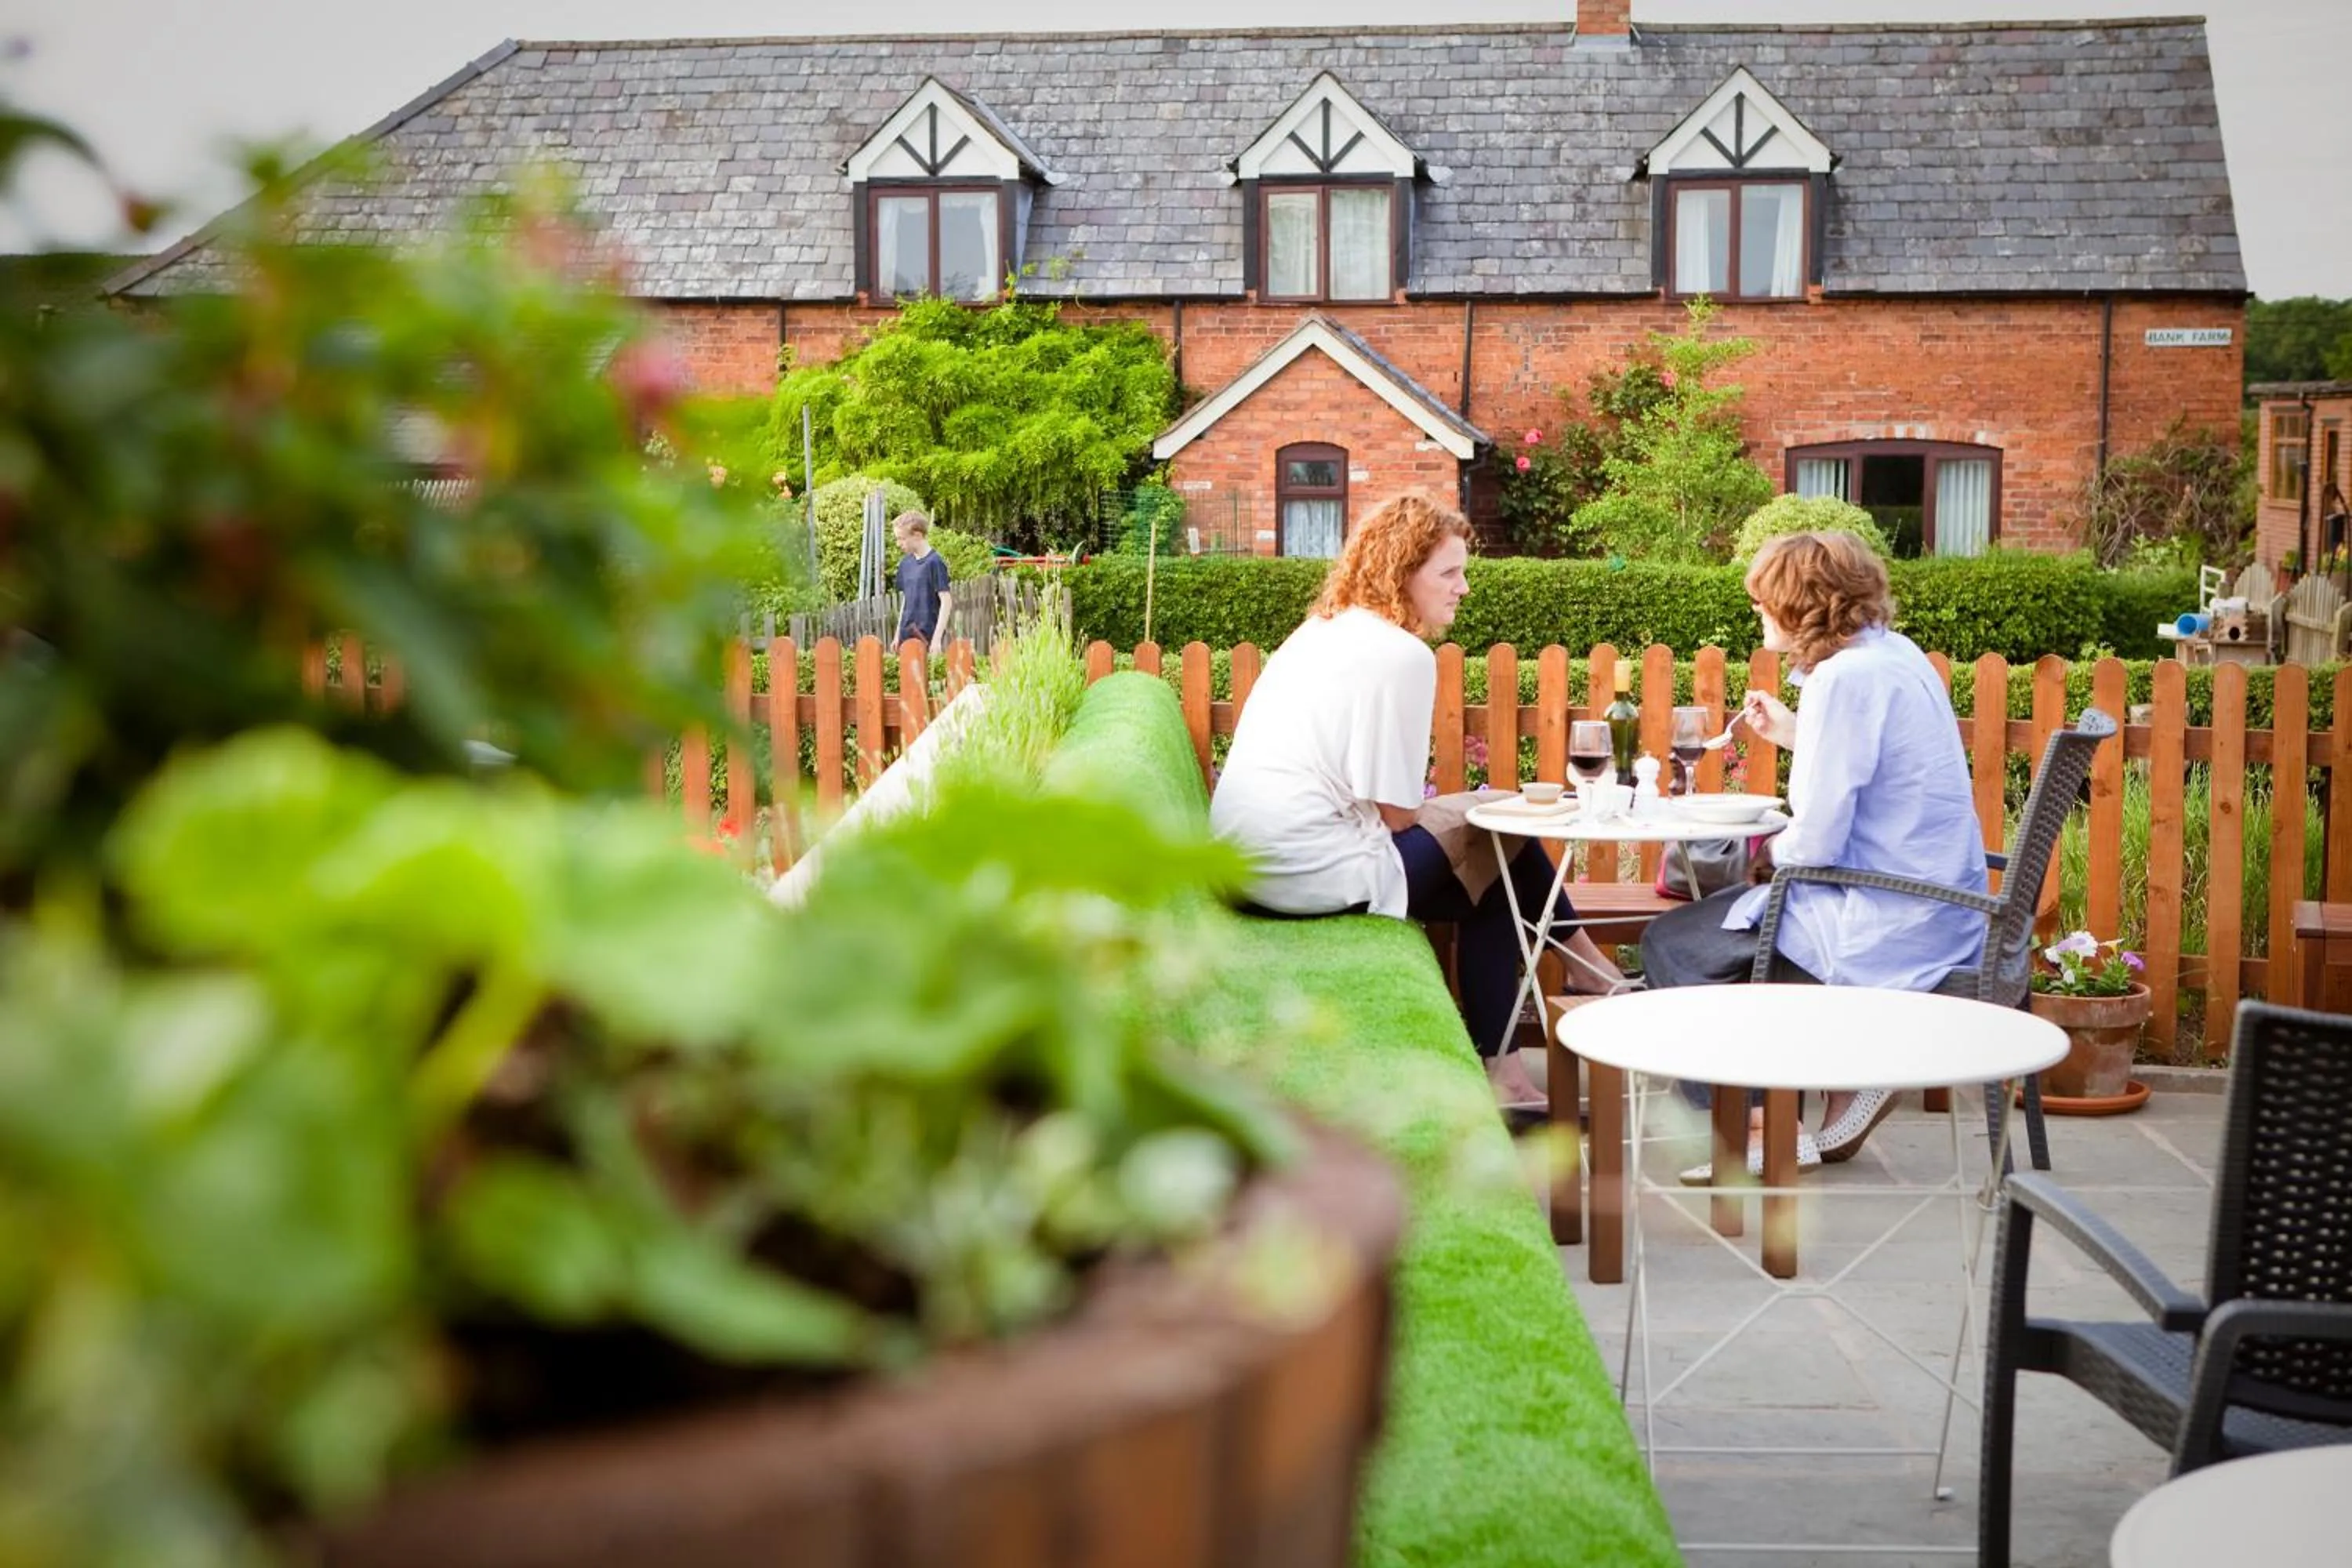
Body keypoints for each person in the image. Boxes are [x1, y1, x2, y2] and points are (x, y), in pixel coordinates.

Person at [1209, 492, 1627, 1114]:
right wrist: (1472, 810)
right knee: (1499, 833)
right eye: (1449, 573)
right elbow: (1398, 814)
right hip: (1306, 874)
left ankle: (1516, 1066)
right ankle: (1585, 974)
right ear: (1402, 573)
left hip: (1252, 869)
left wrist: (1468, 809)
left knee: (1494, 862)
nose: (1463, 588)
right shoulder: (1399, 654)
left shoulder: (1325, 629)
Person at [1641, 529, 1986, 1174]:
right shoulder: (1895, 655)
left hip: (1889, 911)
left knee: (1676, 944)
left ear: (1801, 604)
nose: (1756, 610)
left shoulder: (1842, 680)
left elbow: (1819, 840)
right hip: (1943, 902)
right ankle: (1844, 1080)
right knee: (1721, 923)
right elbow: (1876, 768)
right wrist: (1797, 733)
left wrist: (1763, 848)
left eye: (1764, 598)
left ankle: (1759, 1131)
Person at [891, 511, 954, 647]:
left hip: (927, 637)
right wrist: (897, 634)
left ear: (917, 535)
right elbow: (906, 601)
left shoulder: (935, 562)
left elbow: (946, 601)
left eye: (902, 538)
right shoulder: (905, 563)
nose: (898, 544)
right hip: (906, 636)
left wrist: (937, 639)